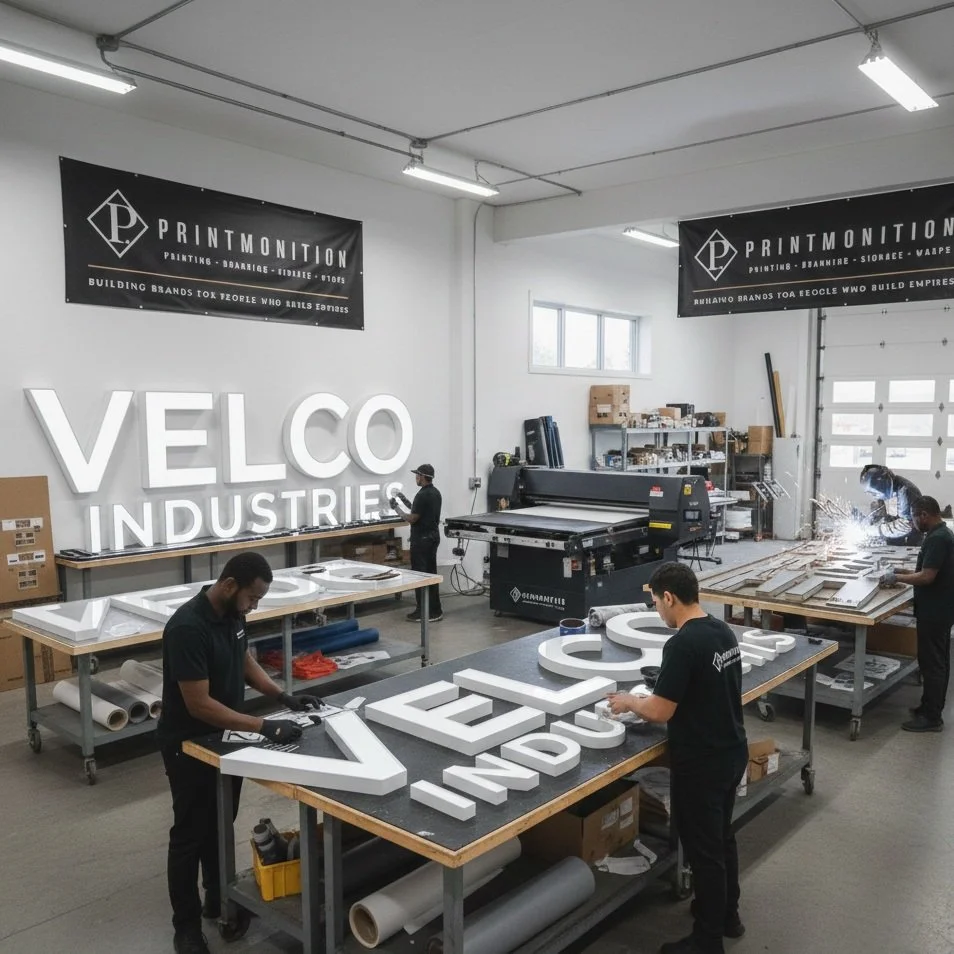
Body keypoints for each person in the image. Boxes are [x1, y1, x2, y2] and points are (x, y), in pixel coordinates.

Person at [157, 552, 322, 954]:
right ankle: (186, 927)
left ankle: (218, 897)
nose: (254, 606)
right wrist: (264, 726)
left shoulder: (233, 614)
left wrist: (282, 695)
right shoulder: (187, 628)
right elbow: (199, 705)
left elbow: (243, 658)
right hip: (188, 743)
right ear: (230, 585)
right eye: (253, 598)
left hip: (225, 738)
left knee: (219, 822)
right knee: (189, 834)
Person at [606, 562, 748, 954]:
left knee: (704, 852)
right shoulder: (722, 630)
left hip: (702, 762)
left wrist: (629, 701)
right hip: (731, 750)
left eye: (655, 602)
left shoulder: (682, 644)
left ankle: (707, 941)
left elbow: (659, 710)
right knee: (722, 838)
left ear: (669, 597)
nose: (657, 611)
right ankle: (728, 916)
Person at [881, 496, 954, 733]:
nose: (913, 523)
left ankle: (932, 718)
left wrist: (897, 578)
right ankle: (929, 707)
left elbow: (927, 577)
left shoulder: (938, 538)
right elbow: (928, 569)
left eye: (913, 518)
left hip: (935, 611)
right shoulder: (940, 534)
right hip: (939, 608)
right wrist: (902, 571)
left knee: (933, 663)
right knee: (937, 661)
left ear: (924, 515)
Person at [390, 463, 443, 622]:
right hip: (433, 538)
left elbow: (412, 518)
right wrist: (403, 498)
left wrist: (396, 508)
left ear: (423, 477)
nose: (416, 478)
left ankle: (423, 612)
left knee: (419, 576)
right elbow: (418, 509)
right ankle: (435, 610)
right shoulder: (435, 493)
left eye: (417, 475)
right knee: (431, 575)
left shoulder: (422, 495)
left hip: (422, 541)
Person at [859, 464, 923, 545]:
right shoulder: (892, 488)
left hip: (911, 538)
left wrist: (877, 530)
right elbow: (888, 514)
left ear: (882, 485)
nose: (874, 496)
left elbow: (907, 525)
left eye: (874, 493)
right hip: (898, 534)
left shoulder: (905, 492)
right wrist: (871, 520)